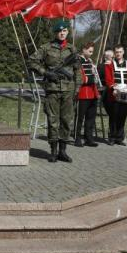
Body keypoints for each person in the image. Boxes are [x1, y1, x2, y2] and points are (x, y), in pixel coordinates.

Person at [29, 20, 79, 163]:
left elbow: (77, 70)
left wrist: (77, 88)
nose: (62, 33)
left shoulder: (72, 49)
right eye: (59, 31)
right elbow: (32, 61)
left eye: (64, 31)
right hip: (52, 89)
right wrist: (46, 73)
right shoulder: (46, 48)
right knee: (52, 120)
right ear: (55, 33)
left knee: (66, 120)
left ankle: (63, 151)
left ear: (67, 32)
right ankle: (53, 151)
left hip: (68, 90)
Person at [104, 44, 127, 145]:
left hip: (126, 93)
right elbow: (108, 78)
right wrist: (112, 87)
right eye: (117, 52)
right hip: (114, 93)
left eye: (120, 52)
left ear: (123, 52)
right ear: (114, 53)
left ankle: (119, 137)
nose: (118, 54)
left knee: (122, 116)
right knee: (113, 115)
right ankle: (112, 137)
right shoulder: (110, 64)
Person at [74, 41, 99, 147]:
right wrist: (91, 78)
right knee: (80, 118)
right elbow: (80, 77)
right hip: (83, 93)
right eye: (89, 51)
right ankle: (77, 138)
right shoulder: (78, 60)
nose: (91, 53)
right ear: (83, 49)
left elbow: (94, 76)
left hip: (93, 92)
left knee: (91, 117)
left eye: (92, 51)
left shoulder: (90, 60)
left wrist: (95, 74)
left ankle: (89, 138)